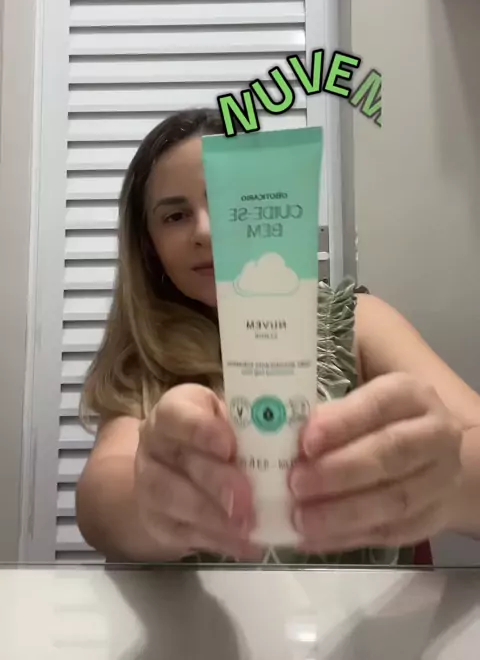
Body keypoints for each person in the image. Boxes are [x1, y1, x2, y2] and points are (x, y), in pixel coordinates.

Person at [77, 108, 480, 566]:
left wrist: (443, 481)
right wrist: (151, 501)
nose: (205, 230)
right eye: (175, 216)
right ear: (149, 245)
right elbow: (100, 502)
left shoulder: (356, 321)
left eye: (227, 202)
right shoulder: (145, 364)